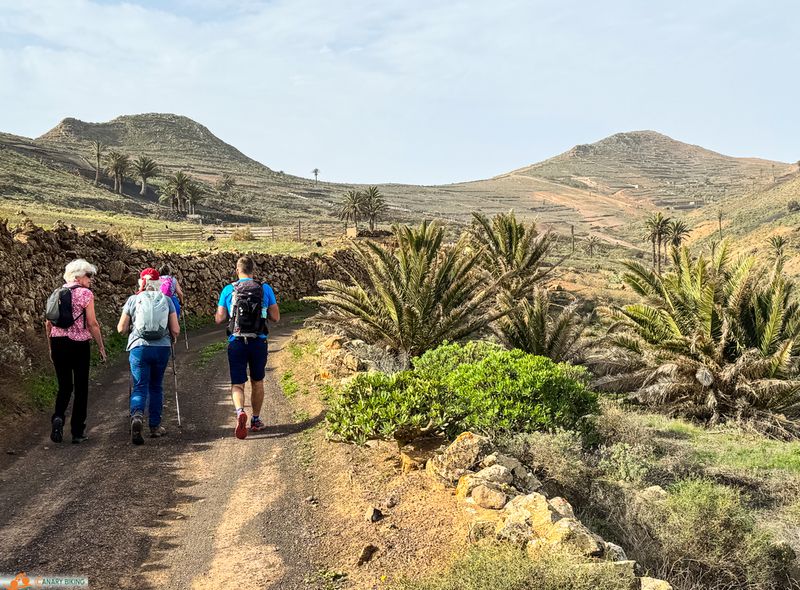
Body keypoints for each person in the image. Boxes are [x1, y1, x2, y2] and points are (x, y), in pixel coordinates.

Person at [215, 256, 280, 439]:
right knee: (257, 381)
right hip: (258, 341)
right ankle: (256, 420)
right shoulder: (264, 288)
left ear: (237, 270)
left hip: (236, 342)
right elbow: (276, 317)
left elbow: (219, 318)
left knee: (237, 383)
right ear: (254, 270)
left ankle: (239, 411)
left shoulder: (229, 289)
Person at [46, 259, 107, 444]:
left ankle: (58, 418)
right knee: (81, 388)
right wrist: (101, 346)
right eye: (88, 276)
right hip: (79, 344)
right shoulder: (85, 294)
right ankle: (77, 432)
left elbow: (48, 322)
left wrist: (50, 347)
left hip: (58, 343)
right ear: (79, 277)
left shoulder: (56, 293)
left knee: (64, 386)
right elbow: (92, 323)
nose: (90, 280)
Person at [117, 268, 180, 445]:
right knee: (156, 386)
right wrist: (171, 337)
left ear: (141, 282)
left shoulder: (133, 300)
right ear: (158, 282)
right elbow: (175, 329)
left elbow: (121, 328)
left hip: (139, 348)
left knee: (140, 385)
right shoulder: (166, 300)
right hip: (161, 348)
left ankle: (137, 415)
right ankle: (155, 426)